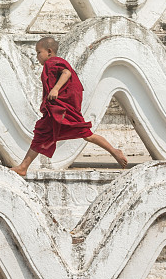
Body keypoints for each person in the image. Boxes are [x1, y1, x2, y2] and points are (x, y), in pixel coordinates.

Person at [11, 36, 129, 176]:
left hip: (60, 110)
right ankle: (114, 151)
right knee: (85, 134)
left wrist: (55, 89)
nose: (37, 56)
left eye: (38, 52)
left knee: (47, 134)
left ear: (49, 51)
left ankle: (23, 167)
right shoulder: (52, 64)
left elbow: (66, 73)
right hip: (57, 110)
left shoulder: (53, 62)